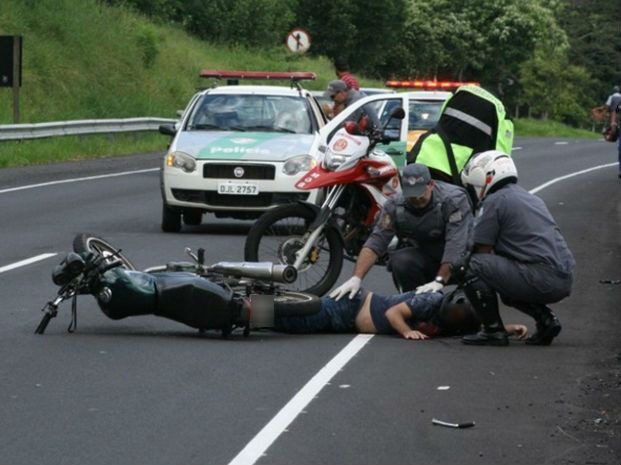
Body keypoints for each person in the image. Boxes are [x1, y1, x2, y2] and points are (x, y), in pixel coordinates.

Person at [458, 150, 575, 346]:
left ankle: (492, 330)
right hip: (563, 278)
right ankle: (546, 320)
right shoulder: (528, 197)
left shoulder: (494, 201)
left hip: (541, 277)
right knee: (503, 274)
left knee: (472, 265)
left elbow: (481, 250)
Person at [330, 163, 473, 300]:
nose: (416, 200)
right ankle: (419, 311)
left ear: (431, 185)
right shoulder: (394, 205)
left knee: (467, 300)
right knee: (401, 261)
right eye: (411, 195)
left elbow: (456, 245)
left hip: (464, 261)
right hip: (430, 256)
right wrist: (356, 278)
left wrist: (439, 281)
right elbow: (376, 242)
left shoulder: (453, 200)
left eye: (420, 194)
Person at [276, 286, 527, 341]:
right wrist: (408, 331)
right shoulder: (432, 301)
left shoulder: (463, 322)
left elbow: (485, 328)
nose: (454, 319)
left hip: (348, 321)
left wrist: (511, 327)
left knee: (293, 321)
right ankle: (245, 309)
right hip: (351, 308)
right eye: (454, 314)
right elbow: (393, 313)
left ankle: (252, 308)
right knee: (295, 322)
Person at [605, 86, 621, 178]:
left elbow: (608, 107)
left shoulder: (611, 97)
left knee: (620, 149)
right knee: (620, 148)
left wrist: (612, 122)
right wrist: (614, 122)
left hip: (614, 120)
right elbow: (616, 111)